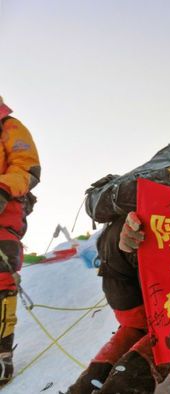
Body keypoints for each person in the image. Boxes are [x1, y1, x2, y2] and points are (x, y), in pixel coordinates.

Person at [67, 139, 170, 394]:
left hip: (130, 277)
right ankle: (126, 379)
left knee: (137, 325)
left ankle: (94, 381)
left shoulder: (165, 178)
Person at [0, 96, 41, 387]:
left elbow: (28, 168)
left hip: (5, 218)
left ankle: (2, 356)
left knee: (2, 281)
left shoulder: (9, 126)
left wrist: (2, 190)